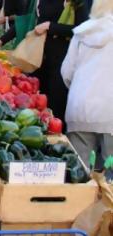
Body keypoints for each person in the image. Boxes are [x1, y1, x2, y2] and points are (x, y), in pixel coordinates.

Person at [0, 0, 88, 128]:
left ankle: (57, 141)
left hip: (61, 62)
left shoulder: (76, 2)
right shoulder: (36, 2)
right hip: (37, 60)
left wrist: (50, 26)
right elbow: (24, 23)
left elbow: (82, 30)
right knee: (35, 106)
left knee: (56, 107)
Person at [61, 0, 113, 167]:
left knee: (80, 173)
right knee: (110, 177)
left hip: (80, 107)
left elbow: (66, 72)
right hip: (110, 110)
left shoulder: (82, 32)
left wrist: (80, 88)